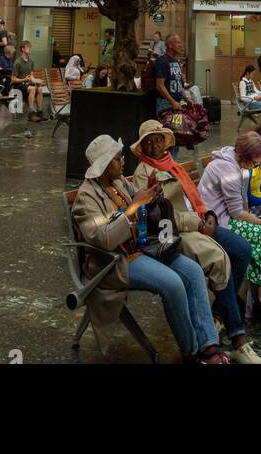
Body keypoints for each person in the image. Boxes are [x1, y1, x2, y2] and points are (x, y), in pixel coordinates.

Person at [71, 134, 228, 364]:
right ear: (103, 166)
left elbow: (140, 199)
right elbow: (103, 239)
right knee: (173, 284)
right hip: (117, 260)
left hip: (144, 247)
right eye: (117, 159)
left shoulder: (119, 182)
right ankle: (192, 351)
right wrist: (134, 207)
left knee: (193, 272)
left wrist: (153, 193)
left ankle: (209, 346)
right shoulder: (86, 198)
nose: (122, 161)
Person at [130, 121, 261, 364]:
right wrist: (198, 222)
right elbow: (159, 215)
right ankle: (238, 339)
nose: (154, 144)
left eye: (158, 139)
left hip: (199, 222)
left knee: (241, 250)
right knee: (217, 259)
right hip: (173, 233)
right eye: (148, 142)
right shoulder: (145, 173)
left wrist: (208, 216)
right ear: (142, 147)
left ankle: (218, 316)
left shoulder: (172, 165)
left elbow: (193, 198)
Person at [199, 131, 261, 323]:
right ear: (244, 157)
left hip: (226, 217)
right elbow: (236, 213)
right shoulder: (228, 171)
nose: (256, 167)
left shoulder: (235, 163)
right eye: (255, 164)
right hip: (216, 222)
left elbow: (241, 204)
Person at [11, 40, 45, 120]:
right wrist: (24, 79)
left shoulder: (31, 62)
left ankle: (39, 112)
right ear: (23, 49)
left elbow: (31, 77)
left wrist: (37, 81)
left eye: (30, 47)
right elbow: (13, 79)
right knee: (32, 89)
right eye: (28, 47)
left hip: (27, 85)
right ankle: (31, 113)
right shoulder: (18, 62)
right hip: (18, 86)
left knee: (39, 88)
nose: (30, 48)